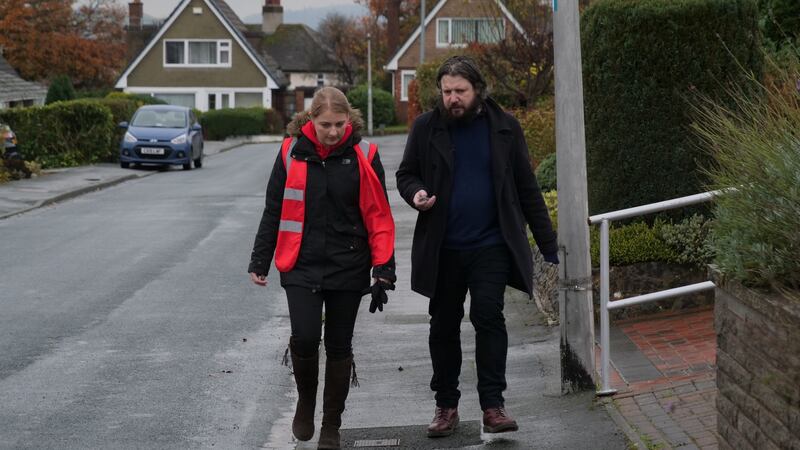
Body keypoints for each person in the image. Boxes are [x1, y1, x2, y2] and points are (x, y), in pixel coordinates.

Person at [396, 56, 559, 438]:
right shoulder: (426, 128)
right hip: (444, 248)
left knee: (488, 315)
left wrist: (547, 243)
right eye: (447, 91)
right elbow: (406, 173)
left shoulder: (504, 128)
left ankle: (493, 405)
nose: (452, 98)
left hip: (491, 243)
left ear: (478, 91)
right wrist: (415, 193)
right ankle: (446, 406)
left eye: (460, 91)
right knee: (444, 325)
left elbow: (527, 188)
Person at [248, 87, 396, 449]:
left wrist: (384, 268)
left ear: (350, 120)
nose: (333, 132)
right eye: (326, 124)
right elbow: (273, 209)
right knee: (305, 336)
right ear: (310, 119)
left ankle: (332, 423)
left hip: (348, 263)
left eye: (340, 124)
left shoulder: (364, 153)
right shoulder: (290, 152)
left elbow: (379, 215)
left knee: (339, 345)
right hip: (300, 262)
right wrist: (260, 259)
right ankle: (306, 402)